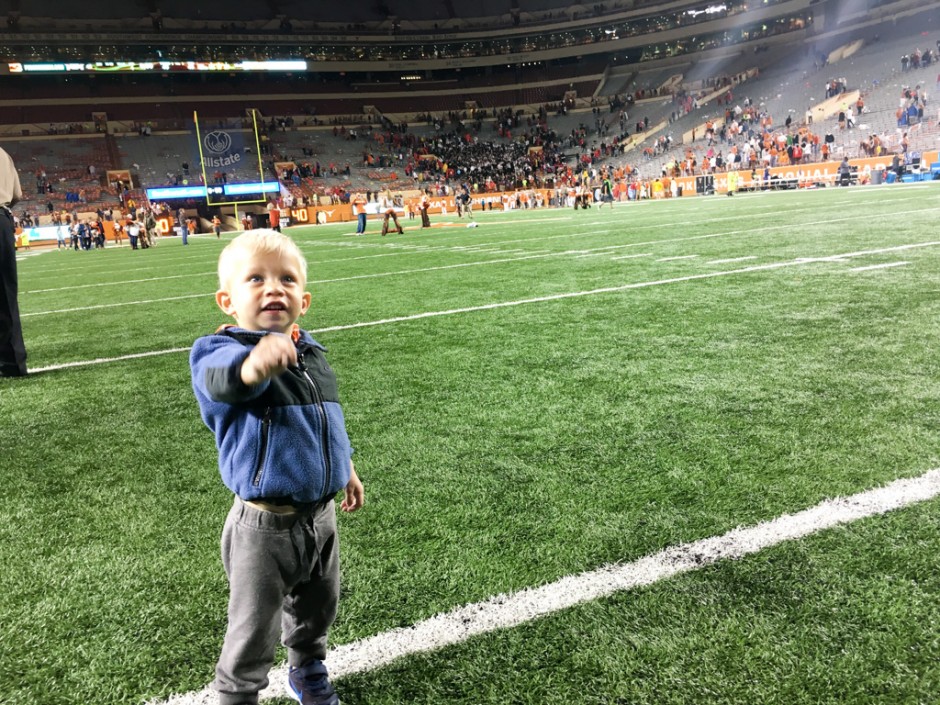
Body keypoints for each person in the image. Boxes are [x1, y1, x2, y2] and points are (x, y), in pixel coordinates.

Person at [190, 229, 365, 705]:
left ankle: (306, 667)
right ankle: (236, 694)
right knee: (253, 626)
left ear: (303, 300)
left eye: (286, 279)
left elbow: (327, 418)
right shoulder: (220, 351)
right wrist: (255, 365)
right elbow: (222, 383)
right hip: (264, 527)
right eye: (255, 279)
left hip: (320, 517)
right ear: (228, 300)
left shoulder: (310, 352)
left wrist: (344, 467)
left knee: (318, 606)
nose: (273, 288)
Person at [0, 146, 26, 376]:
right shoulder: (3, 153)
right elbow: (17, 194)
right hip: (2, 221)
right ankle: (12, 363)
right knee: (5, 295)